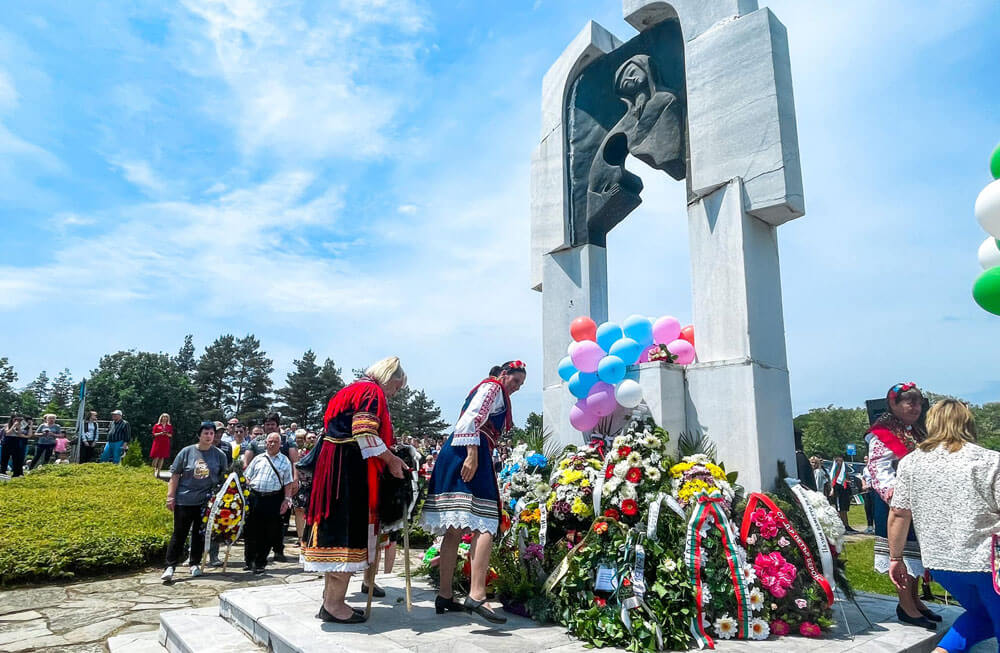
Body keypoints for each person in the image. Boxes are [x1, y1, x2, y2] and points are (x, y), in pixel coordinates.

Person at [300, 357, 408, 623]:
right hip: (347, 472)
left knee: (335, 532)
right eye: (396, 388)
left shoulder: (352, 389)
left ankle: (330, 601)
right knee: (345, 534)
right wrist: (392, 460)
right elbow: (364, 432)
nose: (394, 394)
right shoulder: (371, 392)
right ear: (389, 378)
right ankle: (334, 605)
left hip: (334, 467)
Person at [421, 360, 526, 624]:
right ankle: (477, 594)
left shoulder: (492, 389)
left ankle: (445, 595)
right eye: (515, 381)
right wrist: (472, 454)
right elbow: (471, 419)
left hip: (458, 452)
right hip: (469, 453)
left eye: (521, 384)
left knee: (454, 529)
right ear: (504, 374)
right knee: (487, 522)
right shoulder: (493, 387)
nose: (517, 387)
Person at [889, 399, 1000, 646]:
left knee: (982, 616)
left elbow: (898, 513)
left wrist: (895, 558)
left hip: (940, 563)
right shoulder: (990, 460)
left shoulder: (910, 463)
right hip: (988, 563)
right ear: (968, 423)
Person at [865, 382, 935, 629]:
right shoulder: (883, 432)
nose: (915, 407)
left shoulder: (915, 431)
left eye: (918, 402)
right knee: (902, 553)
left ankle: (914, 599)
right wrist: (896, 495)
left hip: (916, 504)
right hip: (895, 505)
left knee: (915, 553)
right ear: (893, 404)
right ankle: (905, 605)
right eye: (909, 402)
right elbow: (878, 468)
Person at [162, 422, 231, 582]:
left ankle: (194, 563)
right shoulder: (186, 452)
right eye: (206, 433)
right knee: (179, 533)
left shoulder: (219, 455)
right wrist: (170, 496)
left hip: (206, 502)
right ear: (199, 435)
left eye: (211, 433)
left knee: (200, 534)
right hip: (184, 500)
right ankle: (170, 566)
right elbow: (175, 475)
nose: (209, 436)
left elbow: (224, 477)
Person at [244, 412, 298, 562]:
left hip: (280, 487)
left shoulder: (288, 441)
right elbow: (246, 462)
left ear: (277, 425)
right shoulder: (256, 441)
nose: (270, 427)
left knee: (278, 522)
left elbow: (294, 461)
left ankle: (278, 550)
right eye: (267, 424)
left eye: (272, 424)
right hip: (258, 488)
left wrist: (295, 480)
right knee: (255, 524)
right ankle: (255, 556)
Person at [828, 455, 856, 533]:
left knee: (844, 509)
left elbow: (847, 479)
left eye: (841, 461)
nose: (839, 463)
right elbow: (832, 480)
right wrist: (832, 489)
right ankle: (841, 526)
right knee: (839, 509)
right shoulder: (833, 471)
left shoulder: (844, 470)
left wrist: (847, 481)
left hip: (844, 491)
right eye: (837, 461)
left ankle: (846, 525)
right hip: (837, 491)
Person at [150, 413, 174, 478]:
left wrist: (166, 434)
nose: (165, 418)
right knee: (156, 457)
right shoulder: (157, 425)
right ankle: (152, 472)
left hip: (165, 443)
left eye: (166, 417)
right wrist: (160, 433)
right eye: (163, 417)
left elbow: (171, 435)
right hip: (157, 442)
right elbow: (154, 434)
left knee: (162, 457)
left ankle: (158, 472)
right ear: (161, 418)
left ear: (168, 418)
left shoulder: (169, 426)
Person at [860, 455, 875, 534]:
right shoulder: (865, 469)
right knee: (867, 508)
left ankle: (877, 526)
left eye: (866, 459)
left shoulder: (874, 467)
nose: (865, 461)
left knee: (874, 509)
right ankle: (869, 526)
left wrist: (870, 485)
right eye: (864, 459)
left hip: (874, 490)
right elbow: (863, 478)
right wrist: (864, 485)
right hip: (867, 491)